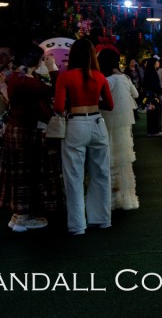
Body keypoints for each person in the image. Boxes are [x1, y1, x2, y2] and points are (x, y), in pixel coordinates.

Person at [0, 49, 63, 231]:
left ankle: (18, 215)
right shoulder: (27, 81)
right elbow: (55, 89)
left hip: (15, 128)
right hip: (26, 131)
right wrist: (52, 68)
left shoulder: (16, 77)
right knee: (26, 172)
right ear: (36, 61)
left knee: (18, 172)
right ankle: (23, 217)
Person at [54, 38, 115, 236]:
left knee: (74, 177)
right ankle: (102, 219)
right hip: (98, 123)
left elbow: (58, 107)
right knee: (101, 174)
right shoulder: (99, 76)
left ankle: (78, 225)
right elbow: (110, 105)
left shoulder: (66, 77)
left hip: (76, 124)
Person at [98, 48, 139, 211]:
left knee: (109, 160)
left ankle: (112, 200)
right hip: (124, 127)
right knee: (123, 162)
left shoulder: (108, 80)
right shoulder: (125, 78)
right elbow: (135, 94)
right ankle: (126, 197)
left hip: (107, 123)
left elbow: (99, 99)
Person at [140, 58, 162, 137]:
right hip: (153, 96)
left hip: (150, 95)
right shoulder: (152, 72)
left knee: (152, 113)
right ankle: (153, 131)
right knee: (154, 113)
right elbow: (154, 85)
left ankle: (152, 131)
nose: (158, 63)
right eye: (157, 61)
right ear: (153, 63)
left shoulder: (150, 71)